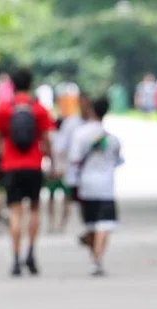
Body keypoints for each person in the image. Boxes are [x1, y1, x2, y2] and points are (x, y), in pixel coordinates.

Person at [0, 68, 56, 277]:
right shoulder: (39, 109)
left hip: (10, 166)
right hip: (34, 165)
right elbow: (46, 139)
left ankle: (16, 259)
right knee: (34, 210)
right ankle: (31, 252)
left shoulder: (4, 109)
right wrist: (51, 161)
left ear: (13, 85)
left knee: (15, 212)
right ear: (30, 84)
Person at [68, 96, 122, 277]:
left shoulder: (80, 134)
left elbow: (74, 159)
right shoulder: (113, 139)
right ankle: (97, 259)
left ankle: (95, 258)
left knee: (92, 225)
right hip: (106, 186)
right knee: (104, 225)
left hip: (86, 185)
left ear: (91, 110)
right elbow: (118, 161)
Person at [55, 93, 92, 234]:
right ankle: (61, 223)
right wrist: (59, 165)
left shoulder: (93, 123)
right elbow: (60, 146)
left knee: (86, 200)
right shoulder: (71, 123)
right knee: (68, 198)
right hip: (73, 169)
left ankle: (88, 226)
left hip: (89, 170)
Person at [45, 115, 70, 233]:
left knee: (51, 199)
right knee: (66, 200)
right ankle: (62, 224)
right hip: (64, 172)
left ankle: (51, 223)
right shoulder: (67, 138)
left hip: (53, 171)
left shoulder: (51, 137)